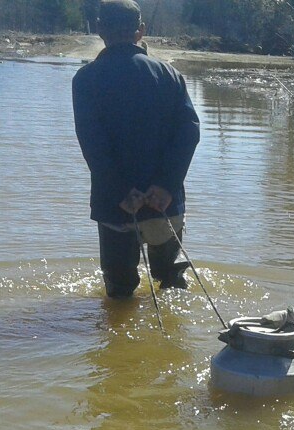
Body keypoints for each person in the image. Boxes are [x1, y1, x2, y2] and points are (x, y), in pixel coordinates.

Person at [72, 0, 201, 299]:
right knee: (172, 282)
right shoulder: (170, 75)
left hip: (116, 203)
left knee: (119, 291)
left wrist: (120, 192)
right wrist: (166, 187)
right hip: (164, 203)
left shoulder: (86, 79)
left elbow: (93, 144)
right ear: (140, 31)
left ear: (99, 29)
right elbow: (189, 133)